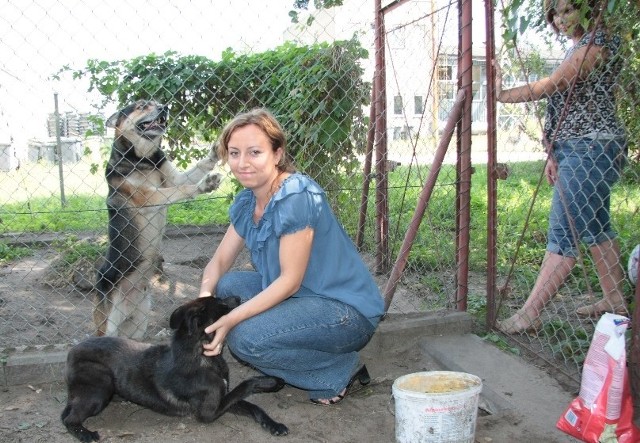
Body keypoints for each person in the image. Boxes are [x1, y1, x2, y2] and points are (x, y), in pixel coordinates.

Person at [197, 108, 385, 404]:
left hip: (344, 313)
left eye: (254, 152)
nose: (242, 163)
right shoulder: (249, 201)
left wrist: (230, 320)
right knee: (227, 285)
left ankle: (336, 371)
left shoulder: (296, 195)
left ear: (277, 153)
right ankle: (299, 347)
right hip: (303, 301)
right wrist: (203, 301)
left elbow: (290, 282)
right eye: (234, 153)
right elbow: (219, 262)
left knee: (245, 340)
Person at [495, 0, 628, 333]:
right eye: (555, 13)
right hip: (573, 149)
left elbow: (557, 83)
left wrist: (503, 95)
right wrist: (552, 152)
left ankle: (529, 313)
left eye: (568, 10)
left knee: (562, 232)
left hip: (594, 146)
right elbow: (562, 109)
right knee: (597, 226)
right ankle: (613, 299)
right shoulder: (575, 48)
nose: (560, 19)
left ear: (588, 9)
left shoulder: (601, 41)